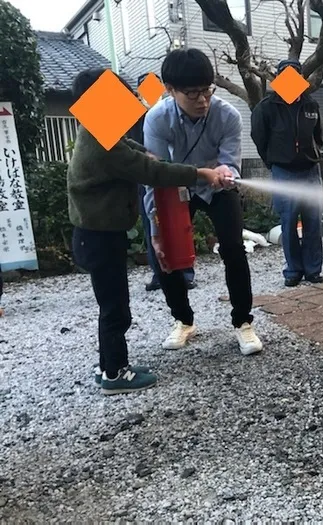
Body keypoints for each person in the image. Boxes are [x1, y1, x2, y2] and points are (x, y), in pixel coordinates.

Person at [67, 67, 232, 395]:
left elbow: (131, 149)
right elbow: (149, 171)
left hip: (95, 234)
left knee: (111, 304)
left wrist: (144, 150)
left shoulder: (96, 129)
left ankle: (109, 364)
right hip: (99, 237)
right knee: (115, 308)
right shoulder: (102, 142)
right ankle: (114, 374)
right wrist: (200, 172)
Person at [142, 48, 263, 356]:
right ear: (170, 90)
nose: (203, 100)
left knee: (234, 249)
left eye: (207, 91)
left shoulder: (228, 115)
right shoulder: (156, 119)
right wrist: (156, 230)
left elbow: (231, 162)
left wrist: (227, 171)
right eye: (192, 93)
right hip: (173, 189)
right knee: (164, 253)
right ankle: (183, 320)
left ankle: (243, 322)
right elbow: (154, 175)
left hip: (217, 188)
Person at [250, 59, 323, 287]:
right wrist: (273, 161)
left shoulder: (311, 105)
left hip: (310, 170)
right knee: (289, 223)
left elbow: (319, 136)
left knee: (313, 222)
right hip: (284, 171)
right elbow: (259, 138)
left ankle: (313, 270)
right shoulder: (266, 107)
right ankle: (293, 270)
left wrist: (312, 153)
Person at [131, 74, 196, 292]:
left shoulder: (171, 111)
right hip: (145, 176)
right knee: (153, 222)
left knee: (181, 223)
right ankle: (160, 272)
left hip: (174, 174)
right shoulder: (132, 114)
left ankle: (186, 272)